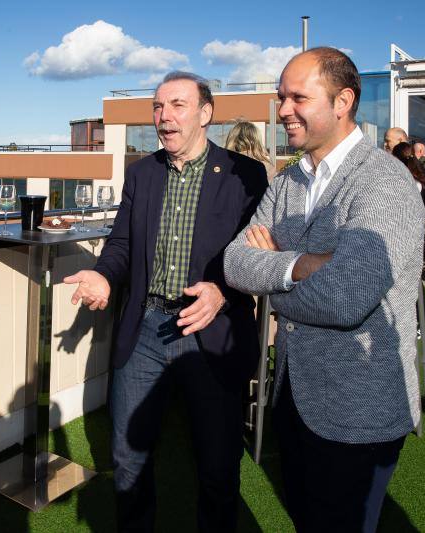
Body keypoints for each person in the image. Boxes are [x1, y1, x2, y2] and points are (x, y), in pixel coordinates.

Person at [224, 47, 425, 533]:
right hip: (293, 396)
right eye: (280, 97)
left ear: (343, 102)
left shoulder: (383, 181)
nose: (283, 110)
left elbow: (345, 299)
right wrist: (306, 265)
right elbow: (234, 262)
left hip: (359, 409)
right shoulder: (290, 178)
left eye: (298, 97)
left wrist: (272, 267)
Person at [63, 71, 267, 532]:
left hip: (211, 331)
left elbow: (256, 256)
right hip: (147, 328)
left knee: (217, 463)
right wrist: (102, 275)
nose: (164, 117)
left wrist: (222, 290)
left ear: (205, 114)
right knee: (128, 455)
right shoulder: (142, 173)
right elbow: (121, 246)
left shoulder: (244, 174)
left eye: (177, 105)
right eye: (158, 107)